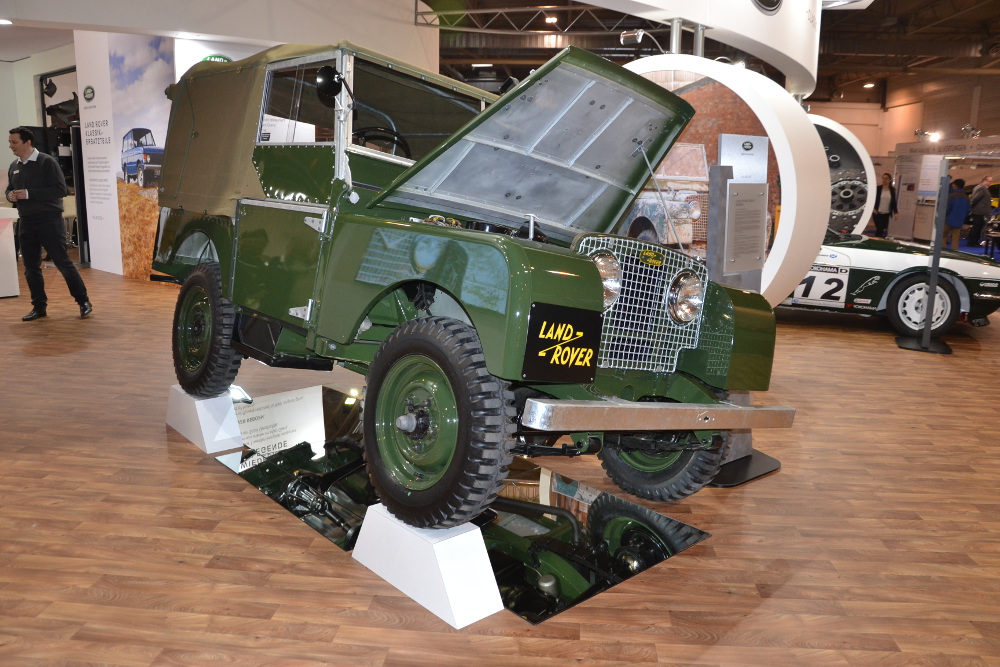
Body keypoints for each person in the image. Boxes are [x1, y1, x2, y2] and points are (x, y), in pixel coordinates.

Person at [6, 126, 91, 321]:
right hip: (26, 222)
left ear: (27, 142)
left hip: (49, 221)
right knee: (30, 267)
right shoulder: (14, 166)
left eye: (14, 142)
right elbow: (9, 189)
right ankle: (39, 307)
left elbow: (61, 189)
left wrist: (29, 194)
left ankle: (83, 301)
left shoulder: (47, 162)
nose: (11, 146)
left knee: (63, 263)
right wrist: (10, 195)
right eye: (10, 142)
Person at [944, 178, 970, 250]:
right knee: (955, 239)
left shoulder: (951, 196)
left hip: (948, 220)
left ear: (956, 186)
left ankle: (942, 251)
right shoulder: (966, 197)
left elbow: (947, 208)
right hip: (959, 221)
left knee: (943, 236)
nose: (952, 186)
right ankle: (954, 252)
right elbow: (968, 210)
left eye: (953, 185)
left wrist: (944, 216)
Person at [967, 175, 992, 247]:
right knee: (977, 227)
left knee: (976, 226)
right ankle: (973, 242)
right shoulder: (982, 188)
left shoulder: (978, 187)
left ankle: (972, 241)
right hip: (979, 211)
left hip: (978, 211)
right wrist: (972, 206)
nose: (990, 183)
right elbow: (976, 199)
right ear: (985, 181)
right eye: (989, 181)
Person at [871, 172, 898, 238]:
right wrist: (873, 208)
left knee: (882, 229)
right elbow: (872, 199)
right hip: (877, 213)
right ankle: (878, 240)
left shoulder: (892, 190)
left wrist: (896, 212)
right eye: (883, 178)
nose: (884, 180)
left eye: (886, 178)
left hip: (886, 213)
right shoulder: (878, 189)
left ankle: (877, 239)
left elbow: (893, 202)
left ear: (889, 180)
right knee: (879, 228)